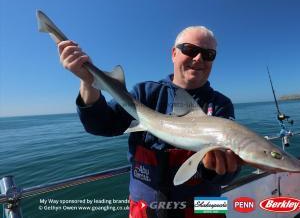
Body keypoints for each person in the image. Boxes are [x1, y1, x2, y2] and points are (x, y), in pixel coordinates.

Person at [58, 26, 242, 218]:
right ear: (174, 53)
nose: (198, 58)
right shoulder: (145, 94)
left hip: (205, 208)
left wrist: (220, 167)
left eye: (208, 54)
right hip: (147, 210)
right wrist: (88, 82)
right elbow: (100, 125)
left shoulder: (221, 105)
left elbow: (228, 175)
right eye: (189, 49)